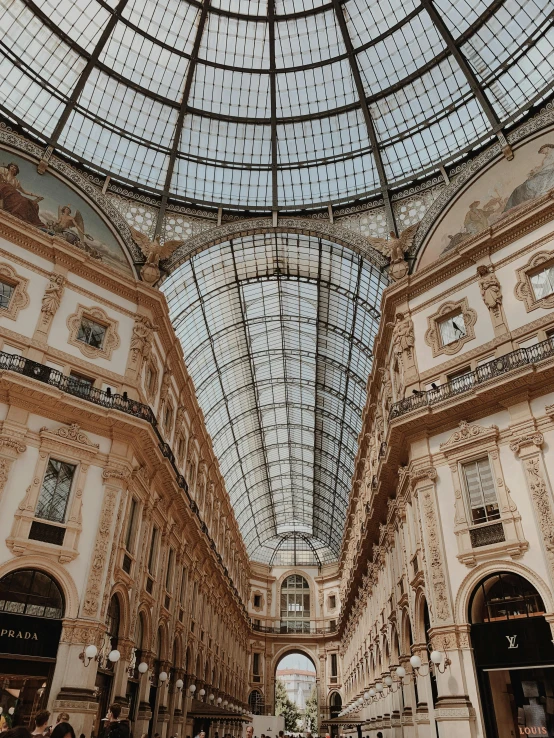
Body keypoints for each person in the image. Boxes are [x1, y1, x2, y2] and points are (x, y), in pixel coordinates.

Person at [0, 163, 44, 227]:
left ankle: (26, 216)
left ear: (16, 171)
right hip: (3, 189)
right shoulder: (3, 170)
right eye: (12, 166)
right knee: (23, 201)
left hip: (12, 193)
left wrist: (36, 196)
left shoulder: (16, 181)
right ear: (9, 167)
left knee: (31, 203)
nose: (13, 168)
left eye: (15, 168)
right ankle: (18, 214)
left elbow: (24, 192)